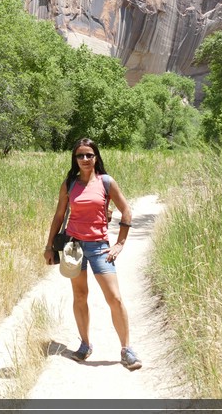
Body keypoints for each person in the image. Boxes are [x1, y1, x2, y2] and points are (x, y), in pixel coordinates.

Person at [43, 138, 143, 371]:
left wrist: (120, 243)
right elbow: (59, 216)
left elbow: (126, 209)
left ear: (96, 157)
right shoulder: (70, 183)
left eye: (89, 155)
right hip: (73, 247)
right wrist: (49, 246)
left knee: (115, 298)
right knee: (80, 296)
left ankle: (126, 349)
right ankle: (85, 345)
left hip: (99, 248)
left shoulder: (106, 182)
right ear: (74, 159)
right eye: (80, 156)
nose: (85, 159)